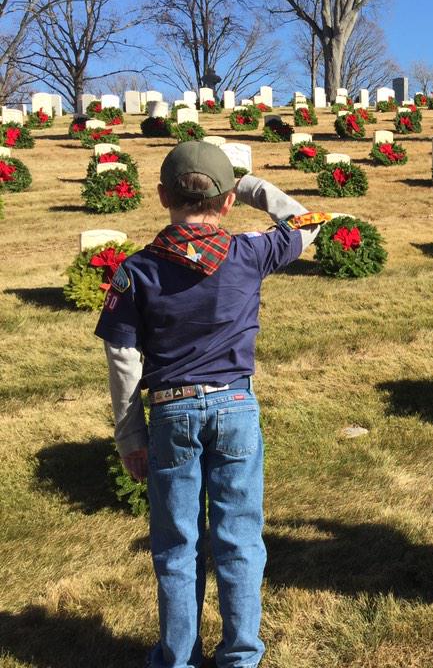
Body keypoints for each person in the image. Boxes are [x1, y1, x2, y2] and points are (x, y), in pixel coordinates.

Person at [96, 142, 328, 668]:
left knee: (177, 548)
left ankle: (178, 659)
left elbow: (123, 356)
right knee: (240, 539)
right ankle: (241, 656)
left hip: (171, 412)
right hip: (236, 408)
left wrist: (130, 435)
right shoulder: (250, 252)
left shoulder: (137, 271)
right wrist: (249, 186)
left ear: (161, 196)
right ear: (226, 204)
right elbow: (311, 221)